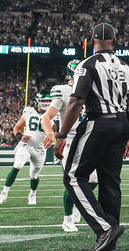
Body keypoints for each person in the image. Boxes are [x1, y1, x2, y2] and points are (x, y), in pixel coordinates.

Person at [54, 23, 129, 251]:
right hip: (121, 124)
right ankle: (109, 246)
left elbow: (77, 101)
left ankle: (104, 230)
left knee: (72, 176)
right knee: (110, 182)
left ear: (92, 42)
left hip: (98, 123)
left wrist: (61, 135)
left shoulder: (87, 64)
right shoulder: (126, 67)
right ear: (115, 41)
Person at [42, 59, 98, 232]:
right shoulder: (64, 90)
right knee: (72, 180)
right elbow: (46, 117)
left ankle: (75, 203)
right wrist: (51, 133)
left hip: (87, 138)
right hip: (69, 140)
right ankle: (67, 220)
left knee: (94, 179)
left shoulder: (91, 90)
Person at [0, 91, 49, 207]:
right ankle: (4, 193)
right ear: (37, 101)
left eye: (48, 101)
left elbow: (55, 131)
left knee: (34, 175)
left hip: (40, 149)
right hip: (26, 145)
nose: (46, 103)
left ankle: (32, 193)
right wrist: (20, 136)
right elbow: (17, 128)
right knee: (17, 165)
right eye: (43, 101)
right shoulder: (29, 111)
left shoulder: (53, 114)